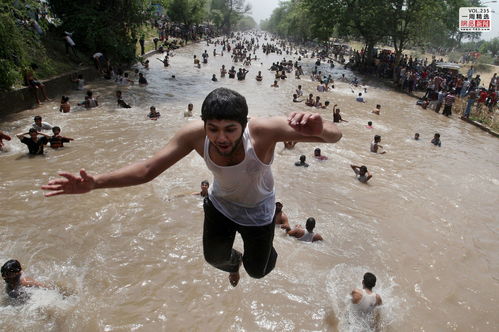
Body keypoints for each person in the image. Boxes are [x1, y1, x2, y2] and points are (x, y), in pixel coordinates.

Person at [41, 88, 342, 287]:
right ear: (204, 125)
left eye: (230, 130)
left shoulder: (263, 131)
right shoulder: (194, 135)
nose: (221, 138)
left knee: (259, 271)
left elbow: (335, 136)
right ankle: (235, 261)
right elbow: (148, 170)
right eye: (213, 129)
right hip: (221, 206)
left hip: (259, 212)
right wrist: (95, 183)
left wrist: (321, 128)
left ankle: (260, 253)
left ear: (244, 124)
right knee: (214, 259)